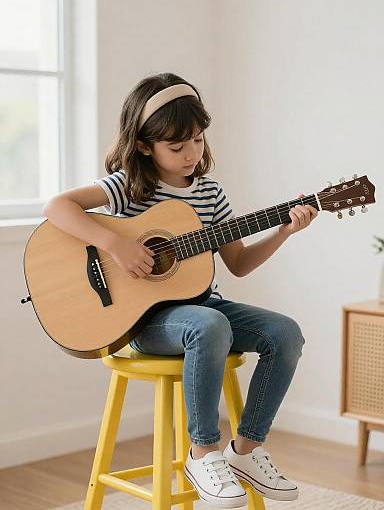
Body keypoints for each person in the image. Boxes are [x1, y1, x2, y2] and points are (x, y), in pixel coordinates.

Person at [43, 72, 318, 508]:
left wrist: (283, 232)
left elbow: (239, 264)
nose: (192, 154)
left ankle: (244, 451)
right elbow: (57, 207)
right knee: (208, 325)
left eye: (197, 140)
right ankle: (203, 452)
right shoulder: (128, 187)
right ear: (144, 145)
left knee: (284, 332)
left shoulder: (210, 193)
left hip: (204, 307)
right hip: (147, 321)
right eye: (177, 146)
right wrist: (115, 243)